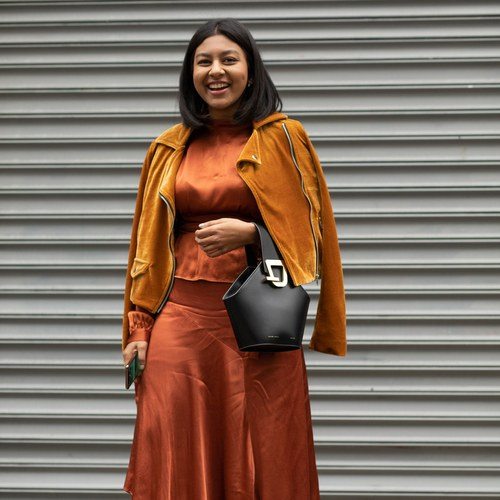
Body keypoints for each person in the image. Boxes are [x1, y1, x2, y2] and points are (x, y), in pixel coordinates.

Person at [121, 17, 346, 500]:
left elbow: (314, 236)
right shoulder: (167, 147)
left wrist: (253, 232)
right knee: (173, 443)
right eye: (204, 61)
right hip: (179, 318)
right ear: (191, 73)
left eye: (229, 59)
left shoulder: (285, 138)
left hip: (257, 325)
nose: (216, 71)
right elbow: (143, 249)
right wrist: (139, 329)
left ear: (250, 69)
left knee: (263, 449)